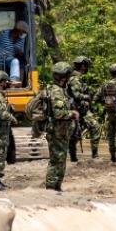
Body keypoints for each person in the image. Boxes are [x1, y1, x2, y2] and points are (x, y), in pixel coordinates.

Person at [31, 62, 77, 191]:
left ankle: (56, 186)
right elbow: (59, 114)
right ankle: (52, 187)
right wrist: (72, 114)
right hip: (57, 131)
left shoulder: (59, 90)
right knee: (56, 160)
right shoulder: (57, 92)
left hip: (61, 131)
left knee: (60, 159)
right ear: (64, 76)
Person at [66, 55, 100, 160]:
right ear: (82, 66)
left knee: (94, 127)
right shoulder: (75, 79)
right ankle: (73, 157)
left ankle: (94, 154)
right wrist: (88, 96)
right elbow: (77, 96)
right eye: (86, 65)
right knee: (74, 133)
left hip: (83, 110)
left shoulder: (79, 78)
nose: (87, 68)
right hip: (76, 110)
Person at [98, 62, 116, 163]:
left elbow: (96, 98)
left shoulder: (105, 85)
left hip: (109, 114)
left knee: (111, 135)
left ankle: (112, 157)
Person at [0, 20, 28, 84]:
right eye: (23, 32)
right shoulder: (3, 33)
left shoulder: (21, 39)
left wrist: (19, 53)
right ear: (18, 30)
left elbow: (20, 52)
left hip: (9, 58)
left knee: (15, 61)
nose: (23, 34)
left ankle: (13, 81)